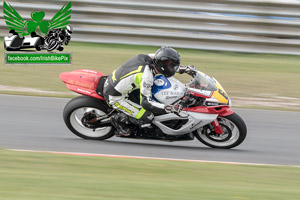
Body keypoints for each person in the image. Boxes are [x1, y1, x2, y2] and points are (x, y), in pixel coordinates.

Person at [103, 46, 194, 136]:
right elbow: (146, 103)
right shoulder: (147, 77)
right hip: (115, 97)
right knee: (147, 116)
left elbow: (165, 65)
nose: (172, 68)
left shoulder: (151, 58)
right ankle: (117, 120)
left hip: (116, 81)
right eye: (172, 66)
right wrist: (170, 108)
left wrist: (184, 69)